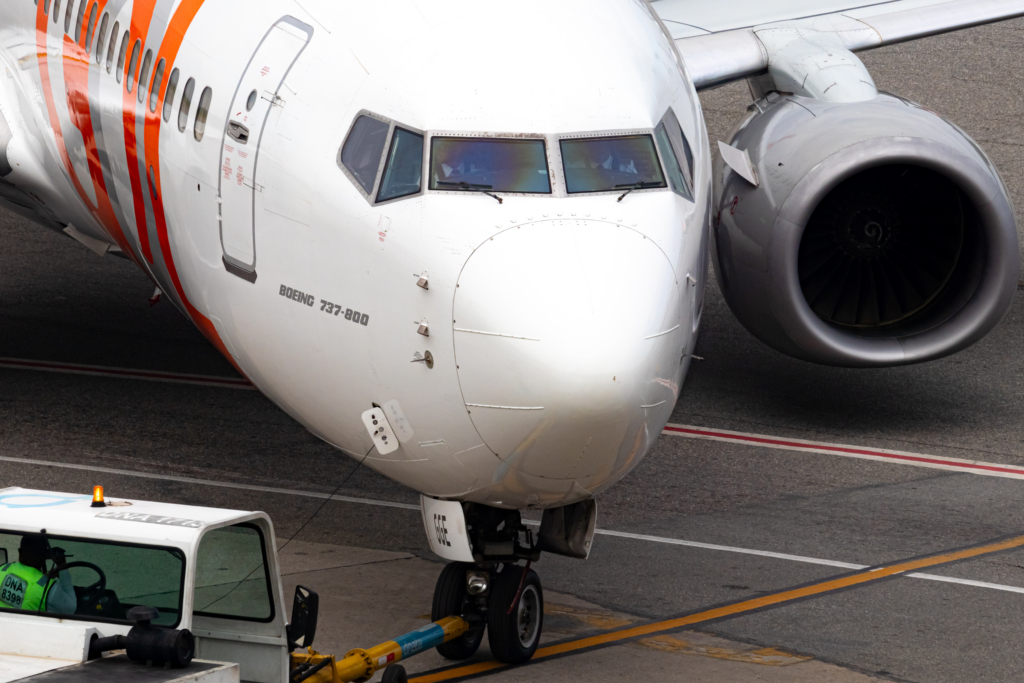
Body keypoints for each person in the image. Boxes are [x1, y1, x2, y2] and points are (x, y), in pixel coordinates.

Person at [0, 535, 77, 614]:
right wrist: (63, 568)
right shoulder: (49, 589)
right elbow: (71, 609)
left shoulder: (2, 569)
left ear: (20, 553)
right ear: (44, 557)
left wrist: (47, 576)